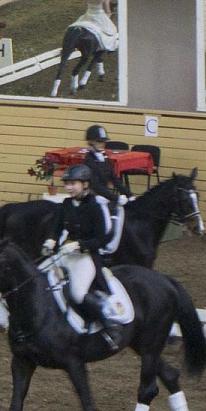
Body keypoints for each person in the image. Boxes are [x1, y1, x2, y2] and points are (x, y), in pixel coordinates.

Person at [48, 164, 118, 337]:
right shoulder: (66, 204)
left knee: (78, 293)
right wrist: (51, 241)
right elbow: (56, 228)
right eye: (67, 184)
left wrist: (80, 245)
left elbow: (102, 239)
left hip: (85, 256)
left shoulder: (95, 206)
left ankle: (108, 324)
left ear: (85, 184)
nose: (68, 188)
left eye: (73, 184)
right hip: (65, 253)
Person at [79, 125, 133, 202]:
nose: (102, 144)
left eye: (103, 142)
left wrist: (129, 195)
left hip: (104, 196)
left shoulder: (104, 157)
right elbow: (96, 186)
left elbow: (113, 178)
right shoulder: (89, 161)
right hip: (92, 199)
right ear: (91, 141)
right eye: (99, 141)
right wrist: (116, 198)